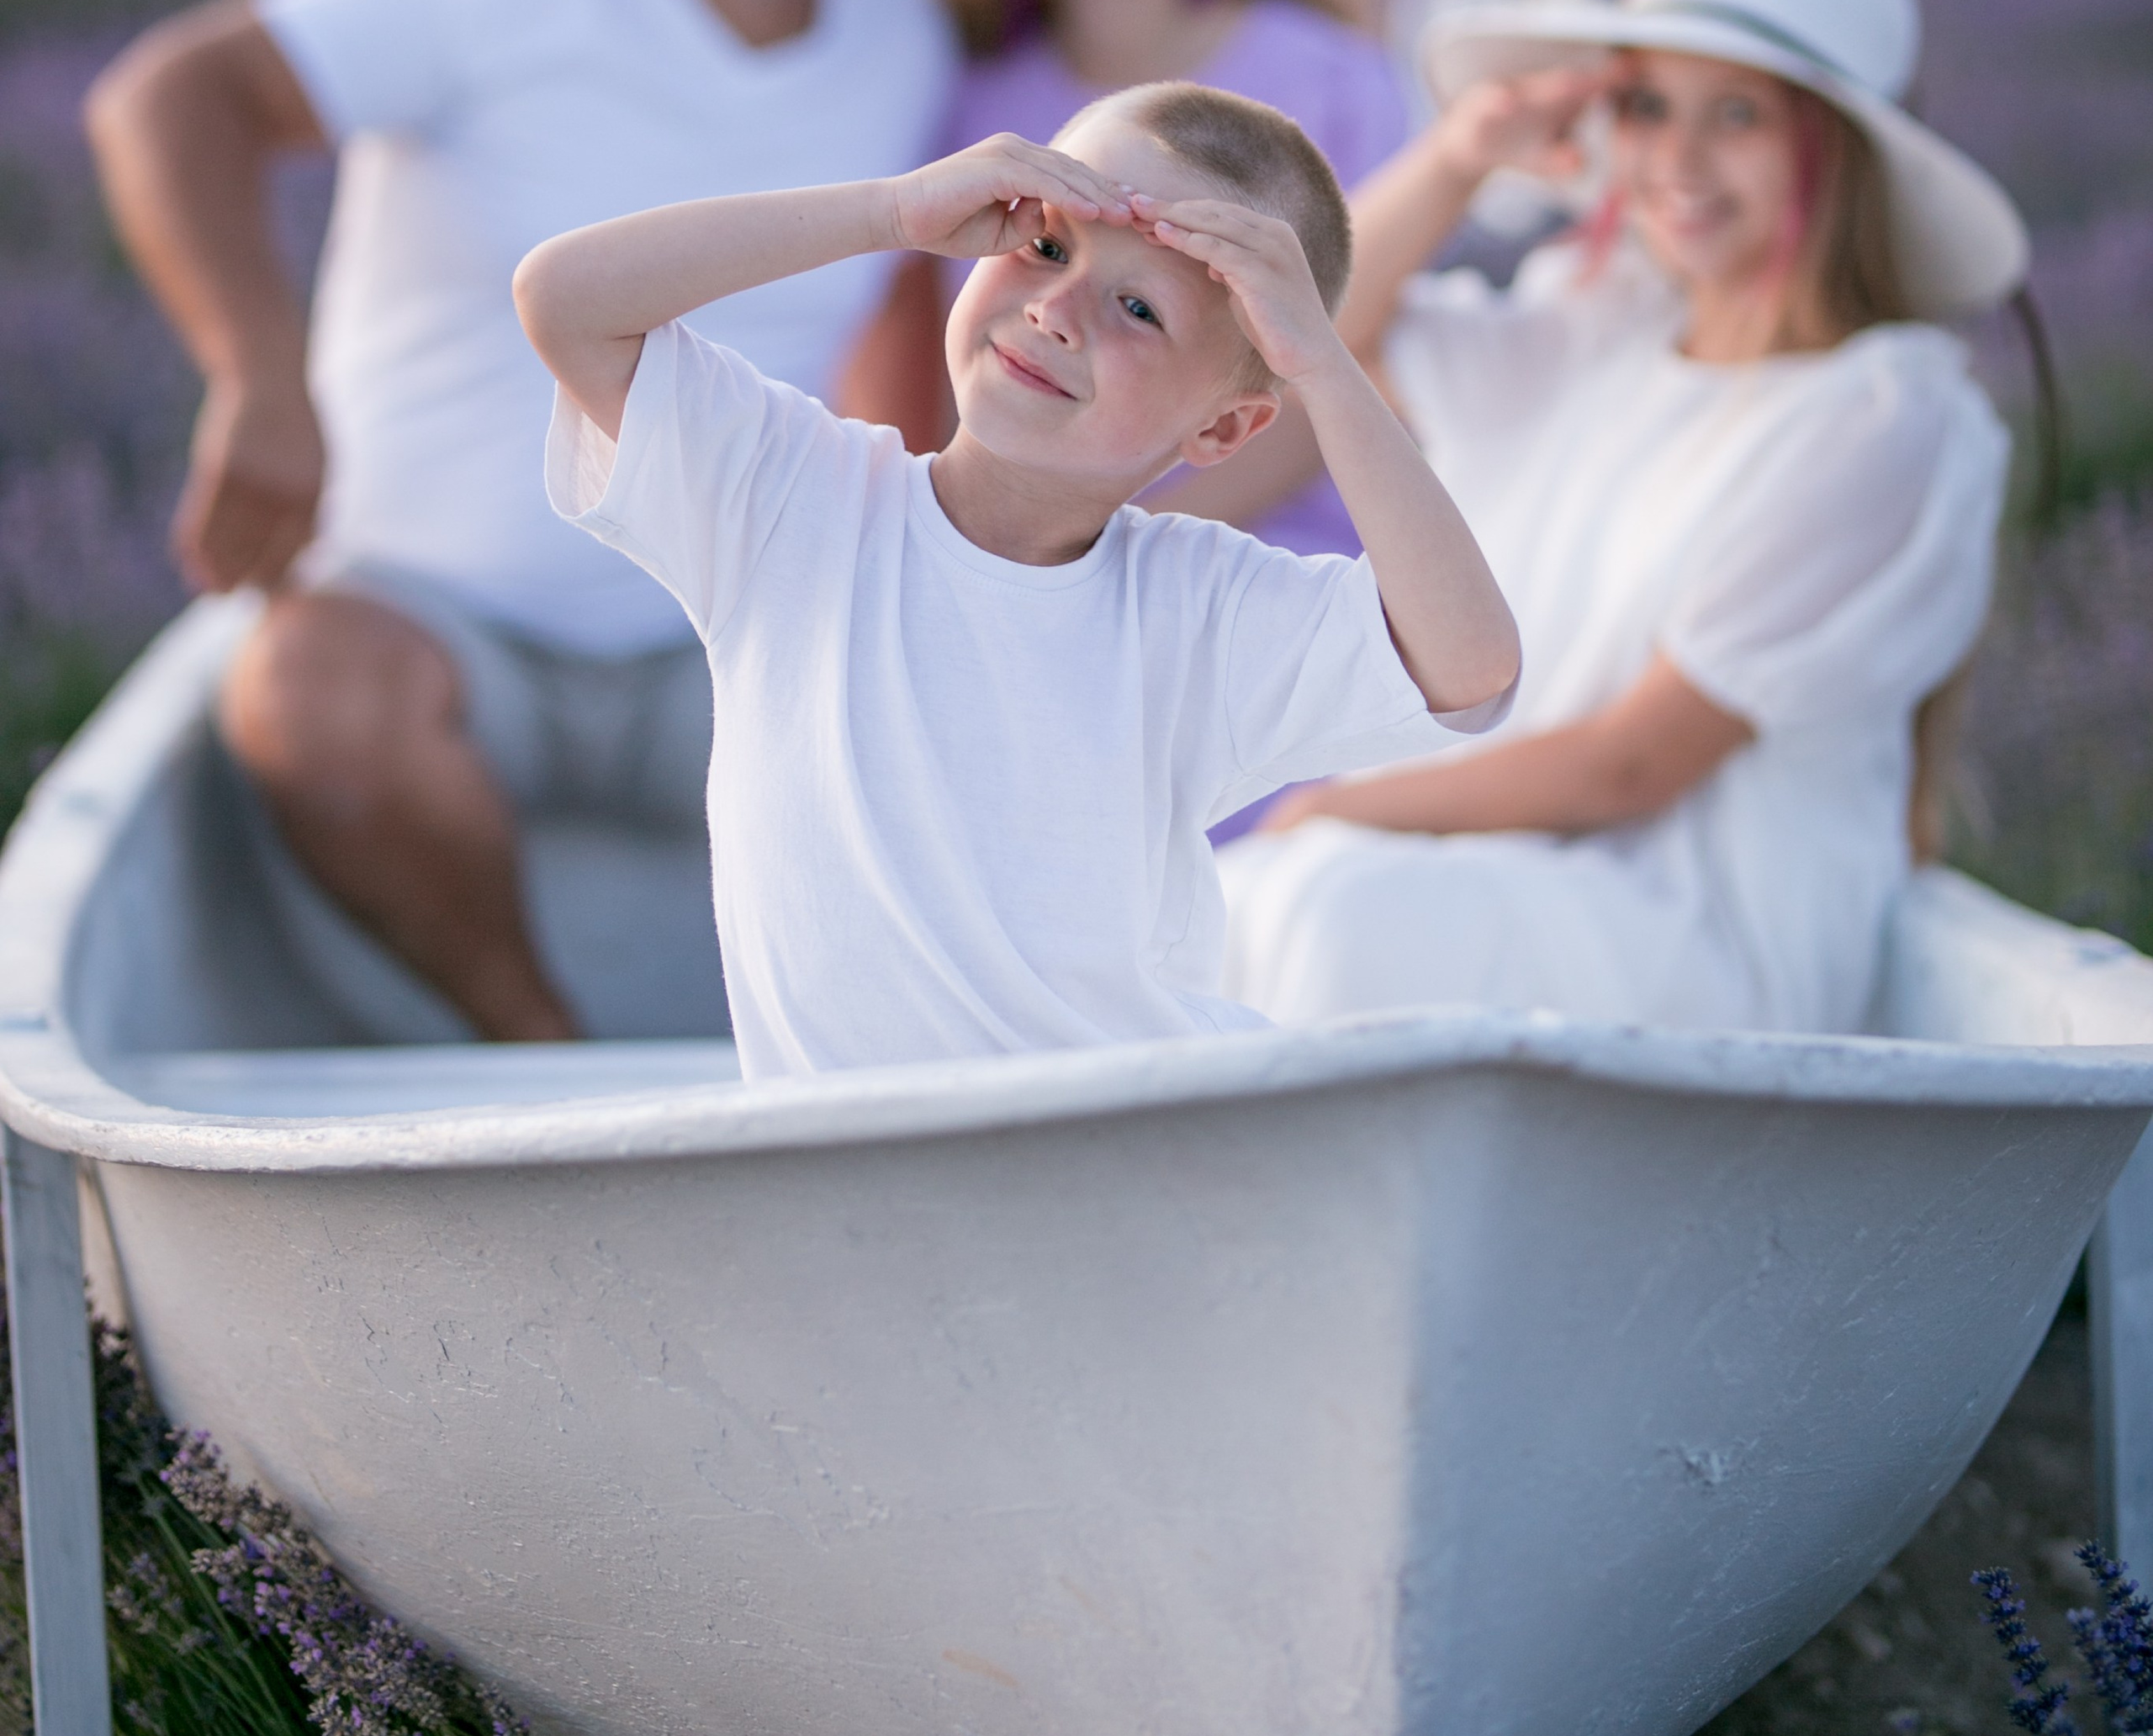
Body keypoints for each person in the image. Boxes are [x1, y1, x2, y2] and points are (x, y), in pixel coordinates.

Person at [87, 0, 958, 1043]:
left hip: (728, 639)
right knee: (307, 698)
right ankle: (538, 1057)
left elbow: (909, 326)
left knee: (963, 728)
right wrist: (258, 381)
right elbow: (169, 98)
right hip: (435, 620)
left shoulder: (905, 31)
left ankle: (867, 1078)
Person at [512, 87, 1520, 1081]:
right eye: (1044, 247)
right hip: (852, 1166)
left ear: (1221, 428)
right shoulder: (788, 501)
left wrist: (1321, 367)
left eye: (1139, 309)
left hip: (1137, 1142)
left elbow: (1468, 664)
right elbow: (566, 301)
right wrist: (891, 212)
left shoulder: (1197, 610)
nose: (1056, 310)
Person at [1218, 0, 2027, 1041]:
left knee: (1329, 908)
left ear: (1834, 151)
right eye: (1648, 106)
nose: (1680, 158)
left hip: (1699, 924)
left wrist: (1339, 809)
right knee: (1245, 902)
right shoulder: (1602, 324)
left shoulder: (1881, 414)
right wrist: (1460, 155)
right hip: (1525, 871)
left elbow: (1636, 764)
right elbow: (1314, 334)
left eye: (1736, 115)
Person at [884, 0, 1408, 551]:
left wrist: (1101, 562)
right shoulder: (966, 102)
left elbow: (1367, 373)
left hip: (1282, 575)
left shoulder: (1336, 82)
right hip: (1026, 580)